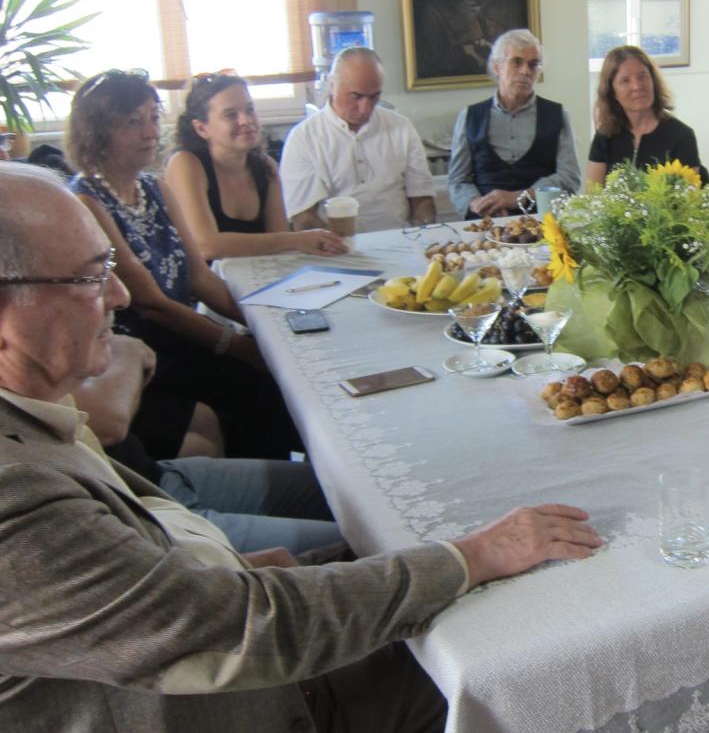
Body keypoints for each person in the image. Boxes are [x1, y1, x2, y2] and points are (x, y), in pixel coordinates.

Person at [0, 161, 602, 732]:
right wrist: (470, 557)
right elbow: (237, 632)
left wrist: (226, 569)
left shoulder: (27, 414)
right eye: (87, 276)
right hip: (263, 704)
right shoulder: (13, 498)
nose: (118, 297)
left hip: (227, 635)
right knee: (545, 666)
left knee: (428, 521)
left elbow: (142, 583)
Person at [66, 69, 301, 461]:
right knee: (261, 390)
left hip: (182, 336)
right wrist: (237, 345)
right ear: (98, 134)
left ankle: (294, 486)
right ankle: (283, 496)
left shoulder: (155, 187)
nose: (149, 132)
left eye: (153, 118)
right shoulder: (87, 202)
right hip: (139, 352)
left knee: (275, 380)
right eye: (132, 122)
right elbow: (151, 303)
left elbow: (200, 276)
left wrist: (267, 318)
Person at [73, 331, 343, 555]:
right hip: (148, 520)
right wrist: (126, 349)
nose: (119, 296)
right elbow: (109, 424)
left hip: (160, 477)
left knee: (345, 489)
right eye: (90, 277)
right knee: (363, 547)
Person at [165, 72, 349, 259]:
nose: (246, 120)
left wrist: (295, 242)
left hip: (254, 279)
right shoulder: (186, 164)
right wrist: (296, 240)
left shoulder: (266, 168)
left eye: (250, 110)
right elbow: (205, 245)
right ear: (201, 129)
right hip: (205, 284)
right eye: (230, 115)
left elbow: (279, 246)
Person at [281, 47, 437, 233]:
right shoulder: (304, 139)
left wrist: (425, 232)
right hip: (334, 248)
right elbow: (304, 218)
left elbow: (422, 198)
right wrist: (341, 248)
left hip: (400, 240)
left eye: (374, 96)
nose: (365, 107)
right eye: (356, 96)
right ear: (332, 86)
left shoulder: (401, 127)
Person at [447, 28, 582, 218]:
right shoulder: (470, 116)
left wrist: (520, 197)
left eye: (533, 65)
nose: (525, 71)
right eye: (517, 62)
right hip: (485, 225)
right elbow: (457, 180)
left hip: (542, 226)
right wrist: (478, 203)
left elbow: (570, 178)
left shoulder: (557, 115)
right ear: (496, 67)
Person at [585, 45, 703, 186]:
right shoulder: (605, 135)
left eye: (642, 77)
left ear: (653, 81)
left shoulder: (682, 136)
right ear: (612, 92)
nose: (637, 86)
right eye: (625, 81)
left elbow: (689, 200)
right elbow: (592, 198)